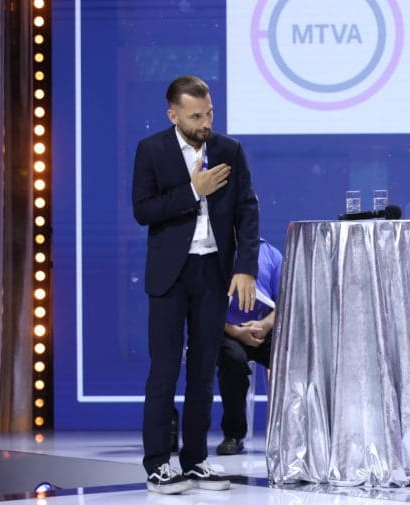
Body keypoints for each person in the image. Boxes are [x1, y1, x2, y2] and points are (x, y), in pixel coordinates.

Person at [132, 75, 260, 494]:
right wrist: (193, 190)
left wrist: (245, 267)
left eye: (209, 114)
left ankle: (196, 459)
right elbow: (143, 210)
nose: (205, 123)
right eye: (196, 116)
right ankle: (157, 464)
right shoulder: (152, 150)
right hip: (170, 275)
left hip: (212, 272)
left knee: (204, 370)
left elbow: (247, 210)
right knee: (165, 370)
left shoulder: (229, 150)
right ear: (173, 115)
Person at [215, 238, 282, 455]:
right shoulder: (215, 252)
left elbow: (286, 300)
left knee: (292, 357)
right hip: (228, 331)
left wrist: (265, 325)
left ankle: (293, 432)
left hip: (263, 328)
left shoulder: (272, 254)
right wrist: (235, 331)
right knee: (232, 359)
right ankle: (233, 435)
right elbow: (205, 306)